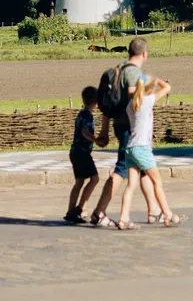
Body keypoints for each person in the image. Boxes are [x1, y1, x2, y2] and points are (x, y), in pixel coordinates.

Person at [89, 37, 149, 228]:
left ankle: (157, 211)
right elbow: (134, 97)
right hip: (129, 128)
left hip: (118, 124)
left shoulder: (117, 69)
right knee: (122, 169)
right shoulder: (132, 73)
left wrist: (105, 130)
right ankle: (99, 212)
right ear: (144, 54)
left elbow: (109, 103)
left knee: (144, 169)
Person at [116, 75, 180, 229]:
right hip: (142, 148)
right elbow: (167, 88)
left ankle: (123, 217)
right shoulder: (148, 101)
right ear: (150, 89)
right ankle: (167, 215)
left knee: (131, 185)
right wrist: (158, 79)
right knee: (157, 182)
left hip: (130, 148)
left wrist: (148, 81)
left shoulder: (131, 104)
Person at [65, 86, 101, 223]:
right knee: (94, 179)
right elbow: (85, 132)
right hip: (83, 152)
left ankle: (70, 211)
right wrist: (96, 140)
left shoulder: (81, 113)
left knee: (79, 181)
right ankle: (79, 208)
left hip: (75, 151)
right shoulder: (87, 115)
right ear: (96, 101)